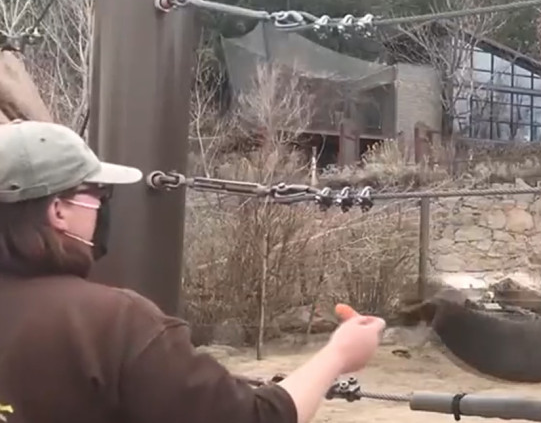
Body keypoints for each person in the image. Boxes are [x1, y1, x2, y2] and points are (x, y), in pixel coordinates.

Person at [0, 120, 387, 423]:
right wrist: (338, 355)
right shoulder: (113, 325)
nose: (102, 206)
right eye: (96, 193)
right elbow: (254, 419)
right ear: (58, 210)